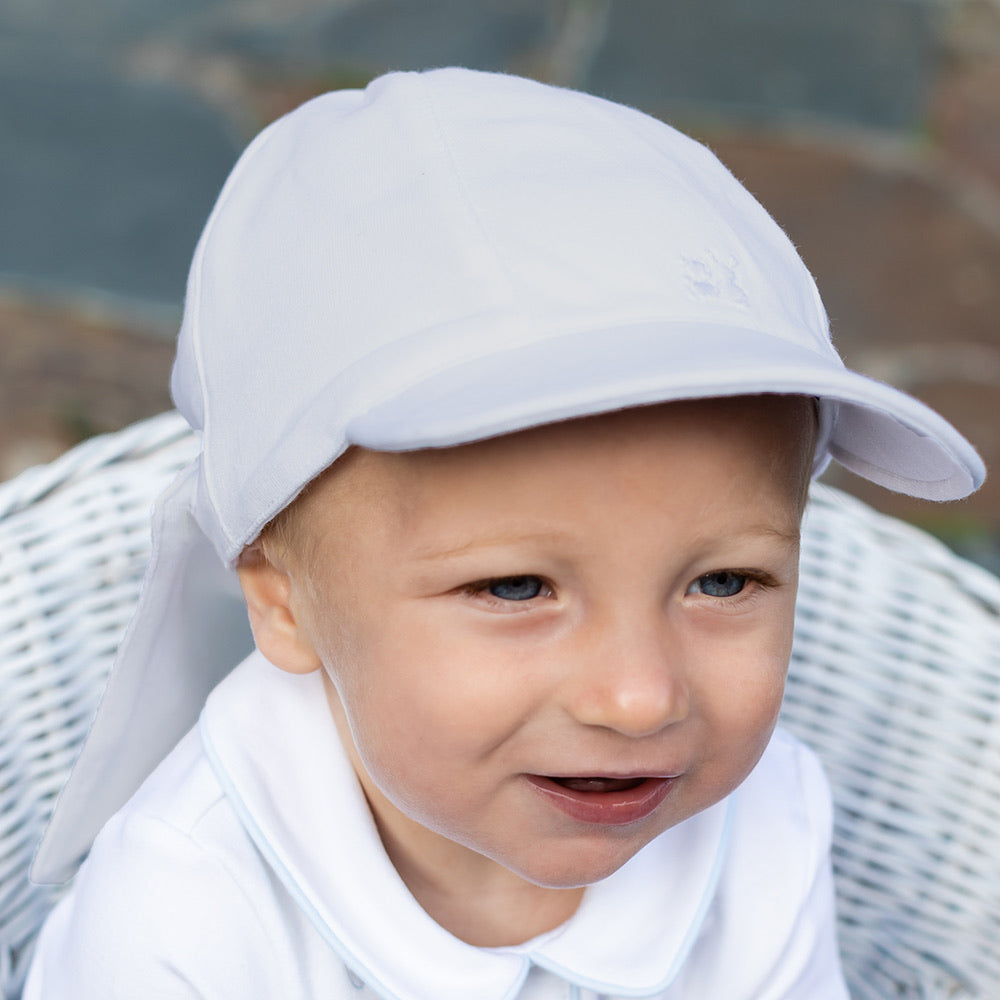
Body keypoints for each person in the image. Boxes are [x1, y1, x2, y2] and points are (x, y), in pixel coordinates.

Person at [24, 67, 983, 999]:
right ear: (284, 603)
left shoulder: (765, 818)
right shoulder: (180, 918)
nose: (640, 700)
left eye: (724, 581)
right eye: (517, 588)